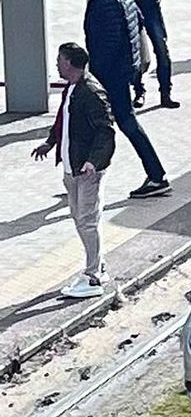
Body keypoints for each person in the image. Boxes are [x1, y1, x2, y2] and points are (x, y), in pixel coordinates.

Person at [80, 0, 170, 198]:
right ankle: (88, 170)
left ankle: (156, 175)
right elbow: (137, 21)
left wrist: (95, 76)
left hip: (112, 75)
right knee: (105, 122)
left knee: (125, 123)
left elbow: (107, 42)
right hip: (123, 70)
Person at [32, 42, 116, 298]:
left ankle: (93, 277)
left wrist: (94, 161)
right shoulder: (72, 89)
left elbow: (106, 130)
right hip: (72, 166)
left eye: (59, 60)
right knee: (80, 219)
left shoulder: (90, 92)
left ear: (69, 63)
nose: (56, 64)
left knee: (88, 221)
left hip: (87, 169)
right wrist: (50, 142)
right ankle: (97, 264)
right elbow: (63, 121)